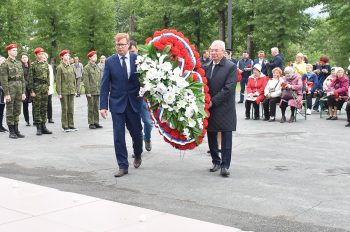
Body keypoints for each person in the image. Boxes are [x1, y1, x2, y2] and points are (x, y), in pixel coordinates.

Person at [100, 33, 143, 177]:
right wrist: (103, 106)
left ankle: (138, 153)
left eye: (123, 45)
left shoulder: (137, 59)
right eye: (118, 45)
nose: (120, 47)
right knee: (118, 136)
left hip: (133, 103)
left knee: (137, 134)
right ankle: (123, 165)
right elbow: (105, 84)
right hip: (117, 104)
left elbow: (144, 80)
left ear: (128, 44)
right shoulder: (110, 62)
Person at [204, 40, 237, 177]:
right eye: (212, 50)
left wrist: (213, 101)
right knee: (211, 135)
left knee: (226, 137)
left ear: (223, 52)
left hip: (224, 107)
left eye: (216, 50)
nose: (213, 53)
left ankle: (225, 165)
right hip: (209, 107)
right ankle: (216, 161)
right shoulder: (206, 66)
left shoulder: (231, 67)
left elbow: (228, 88)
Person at [129, 40, 153, 151]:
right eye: (130, 52)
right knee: (135, 126)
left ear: (137, 49)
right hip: (131, 99)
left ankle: (147, 138)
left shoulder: (144, 62)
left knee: (148, 123)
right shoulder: (126, 63)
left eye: (133, 51)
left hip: (143, 98)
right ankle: (137, 149)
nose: (132, 54)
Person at [0, 44, 26, 139]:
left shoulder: (19, 63)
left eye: (16, 50)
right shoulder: (5, 64)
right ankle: (11, 131)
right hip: (10, 88)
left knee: (17, 110)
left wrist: (23, 92)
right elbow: (4, 80)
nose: (16, 51)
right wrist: (6, 93)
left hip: (19, 88)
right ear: (9, 52)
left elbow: (22, 78)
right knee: (10, 110)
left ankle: (16, 130)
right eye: (14, 50)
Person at [28, 47, 52, 136]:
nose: (41, 55)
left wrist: (48, 87)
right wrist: (31, 90)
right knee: (37, 108)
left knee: (44, 107)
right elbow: (30, 78)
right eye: (39, 54)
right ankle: (38, 127)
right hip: (37, 88)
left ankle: (43, 126)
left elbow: (48, 76)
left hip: (44, 87)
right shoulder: (33, 65)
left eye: (42, 54)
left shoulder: (46, 64)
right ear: (36, 55)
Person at [56, 49, 77, 132]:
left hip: (71, 90)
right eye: (65, 55)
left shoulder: (71, 66)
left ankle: (71, 125)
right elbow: (58, 81)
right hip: (64, 91)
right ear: (62, 57)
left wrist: (75, 90)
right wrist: (59, 92)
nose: (67, 57)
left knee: (71, 108)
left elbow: (73, 79)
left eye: (68, 55)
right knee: (65, 108)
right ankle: (65, 126)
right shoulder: (60, 67)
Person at [83, 50, 103, 129]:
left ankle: (96, 122)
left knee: (96, 107)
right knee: (91, 107)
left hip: (97, 90)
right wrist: (88, 91)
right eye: (94, 56)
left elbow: (99, 79)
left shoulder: (97, 66)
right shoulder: (87, 68)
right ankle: (91, 122)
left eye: (96, 56)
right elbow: (86, 80)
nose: (96, 57)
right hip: (91, 90)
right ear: (90, 58)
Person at [21, 53, 32, 126]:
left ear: (28, 58)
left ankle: (36, 120)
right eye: (23, 57)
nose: (25, 59)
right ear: (21, 59)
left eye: (26, 57)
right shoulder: (20, 67)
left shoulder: (31, 66)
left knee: (34, 104)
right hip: (24, 88)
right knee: (25, 105)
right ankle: (27, 120)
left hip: (31, 88)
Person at [43, 53, 55, 123]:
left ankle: (50, 117)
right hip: (40, 88)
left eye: (45, 58)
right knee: (42, 104)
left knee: (49, 103)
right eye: (43, 58)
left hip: (48, 87)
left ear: (46, 58)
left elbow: (51, 78)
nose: (44, 59)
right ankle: (43, 118)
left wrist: (49, 87)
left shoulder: (49, 66)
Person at [0, 55, 8, 132]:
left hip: (3, 94)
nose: (3, 62)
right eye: (1, 60)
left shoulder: (4, 70)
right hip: (0, 92)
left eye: (4, 61)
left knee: (2, 111)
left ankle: (1, 125)